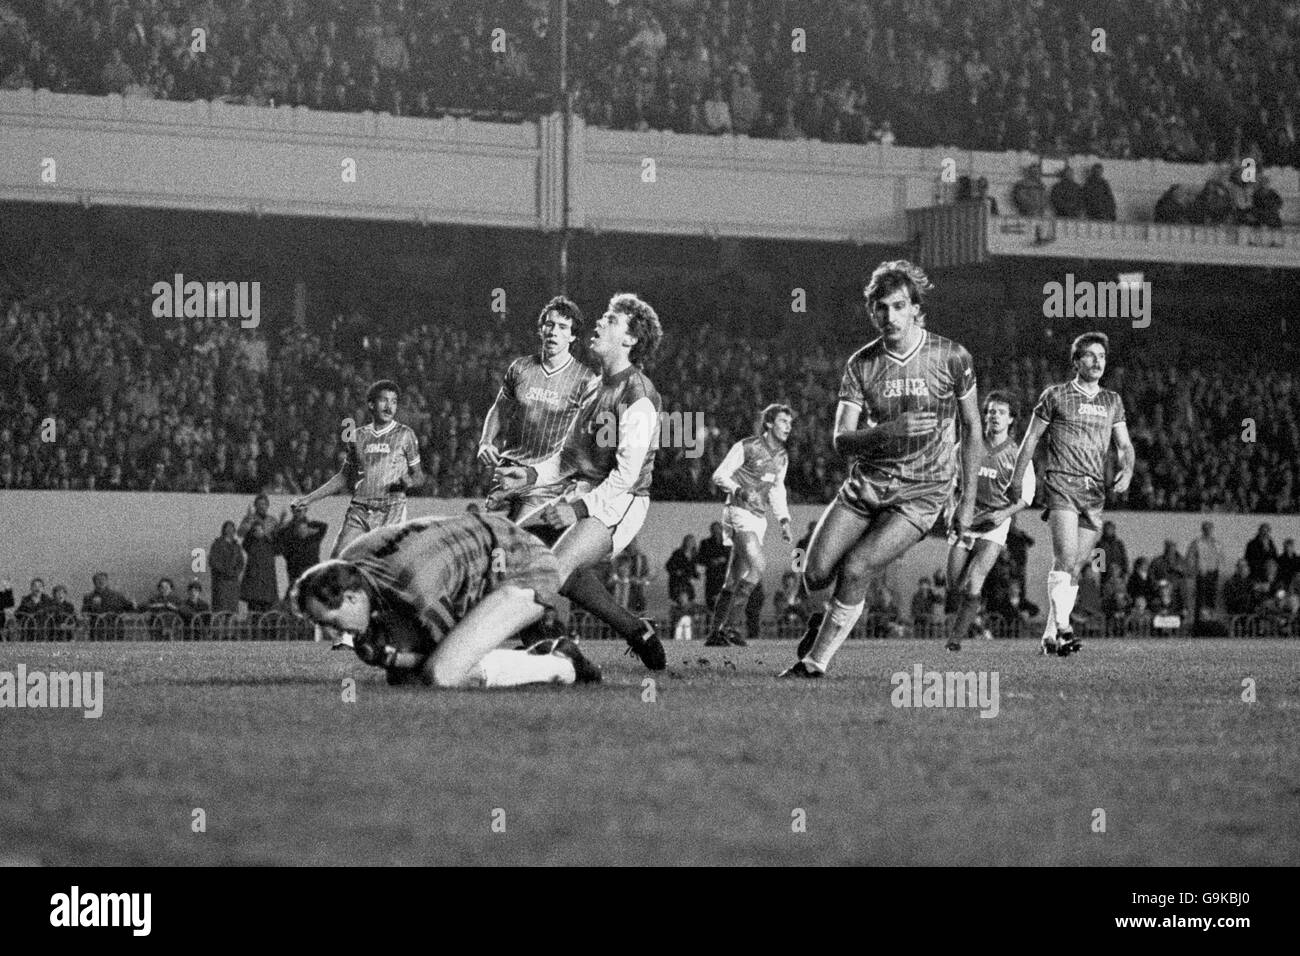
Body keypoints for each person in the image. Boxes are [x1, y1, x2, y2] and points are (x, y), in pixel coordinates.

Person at [781, 260, 982, 677]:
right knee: (814, 573)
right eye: (881, 308)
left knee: (856, 568)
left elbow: (973, 430)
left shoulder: (952, 357)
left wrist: (966, 504)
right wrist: (890, 431)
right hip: (868, 482)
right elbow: (841, 440)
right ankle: (826, 619)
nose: (889, 316)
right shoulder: (861, 364)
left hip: (923, 491)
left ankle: (815, 663)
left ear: (915, 309)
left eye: (898, 306)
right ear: (872, 311)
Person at [500, 293, 668, 671]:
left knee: (550, 569)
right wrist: (528, 475)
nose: (598, 322)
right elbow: (566, 458)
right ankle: (634, 630)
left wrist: (576, 509)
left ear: (629, 340)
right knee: (513, 553)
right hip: (585, 492)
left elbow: (626, 477)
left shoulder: (639, 395)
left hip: (621, 503)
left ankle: (549, 651)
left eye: (610, 319)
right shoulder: (594, 387)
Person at [291, 514, 600, 688]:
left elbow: (443, 656)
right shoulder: (352, 563)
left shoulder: (413, 587)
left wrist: (395, 658)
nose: (335, 635)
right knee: (409, 677)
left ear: (352, 596)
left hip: (524, 568)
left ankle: (561, 662)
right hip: (494, 547)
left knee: (442, 673)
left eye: (331, 623)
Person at [1008, 332, 1134, 657]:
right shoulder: (1056, 395)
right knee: (1065, 556)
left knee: (1075, 567)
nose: (1097, 361)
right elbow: (1031, 439)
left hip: (1094, 492)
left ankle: (1050, 635)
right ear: (1076, 361)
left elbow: (1124, 445)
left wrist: (1128, 468)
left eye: (1102, 356)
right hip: (1061, 483)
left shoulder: (1112, 401)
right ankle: (1065, 630)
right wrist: (1018, 477)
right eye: (1090, 355)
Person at [477, 296, 595, 521]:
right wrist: (485, 441)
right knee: (493, 543)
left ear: (572, 336)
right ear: (541, 330)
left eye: (562, 327)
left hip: (545, 482)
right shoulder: (521, 367)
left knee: (521, 543)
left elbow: (586, 440)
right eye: (549, 325)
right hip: (508, 470)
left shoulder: (585, 379)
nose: (553, 332)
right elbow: (500, 408)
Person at [943, 390, 1035, 651]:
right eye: (991, 411)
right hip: (966, 519)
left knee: (975, 580)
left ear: (1011, 420)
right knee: (953, 584)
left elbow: (1027, 495)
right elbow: (951, 482)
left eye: (1001, 412)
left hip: (994, 524)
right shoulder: (967, 446)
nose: (994, 416)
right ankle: (974, 613)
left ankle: (955, 641)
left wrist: (1004, 514)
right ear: (984, 416)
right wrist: (951, 510)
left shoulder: (1018, 456)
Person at [293, 379, 424, 557]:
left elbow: (419, 476)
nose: (389, 407)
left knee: (384, 568)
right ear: (371, 404)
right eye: (384, 400)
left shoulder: (405, 434)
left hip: (390, 511)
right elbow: (343, 477)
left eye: (393, 402)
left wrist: (408, 481)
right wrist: (309, 498)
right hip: (360, 510)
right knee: (337, 562)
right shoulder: (358, 436)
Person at [705, 403, 794, 647]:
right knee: (759, 565)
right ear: (769, 423)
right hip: (738, 511)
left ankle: (715, 634)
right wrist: (740, 491)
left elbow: (776, 489)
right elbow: (719, 475)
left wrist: (784, 520)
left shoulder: (782, 457)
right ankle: (732, 626)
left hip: (759, 518)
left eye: (790, 423)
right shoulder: (747, 446)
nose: (789, 427)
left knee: (733, 580)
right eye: (783, 422)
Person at [273, 505, 330, 598]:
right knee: (296, 592)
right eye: (296, 510)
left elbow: (324, 526)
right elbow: (278, 541)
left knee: (312, 594)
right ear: (293, 511)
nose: (298, 512)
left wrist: (308, 528)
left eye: (301, 510)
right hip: (294, 567)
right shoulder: (287, 528)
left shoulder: (313, 527)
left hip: (312, 565)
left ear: (305, 510)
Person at [239, 494, 280, 614]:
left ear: (267, 506)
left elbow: (278, 542)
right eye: (259, 504)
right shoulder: (250, 519)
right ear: (255, 506)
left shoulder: (272, 521)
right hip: (254, 564)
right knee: (253, 602)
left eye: (264, 504)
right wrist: (249, 524)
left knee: (268, 602)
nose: (261, 506)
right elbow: (241, 534)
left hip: (268, 565)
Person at [1187, 521, 1223, 614]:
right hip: (1201, 574)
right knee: (1201, 600)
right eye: (1205, 529)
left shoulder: (1217, 544)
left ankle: (1211, 621)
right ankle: (1199, 623)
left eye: (1209, 529)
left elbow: (1221, 558)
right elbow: (1190, 558)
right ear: (1202, 530)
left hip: (1213, 574)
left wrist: (1219, 570)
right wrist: (1193, 571)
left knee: (1212, 599)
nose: (1207, 531)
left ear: (1212, 530)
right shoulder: (1197, 543)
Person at [209, 520, 245, 613]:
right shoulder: (217, 544)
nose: (230, 530)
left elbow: (241, 562)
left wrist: (236, 572)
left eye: (232, 528)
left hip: (233, 582)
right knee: (221, 608)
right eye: (227, 528)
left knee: (232, 609)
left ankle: (231, 626)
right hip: (221, 581)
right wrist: (224, 571)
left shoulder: (236, 546)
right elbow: (213, 561)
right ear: (223, 530)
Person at [697, 522, 731, 611]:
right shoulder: (705, 543)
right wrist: (711, 561)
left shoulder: (729, 544)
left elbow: (734, 558)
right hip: (711, 577)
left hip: (726, 577)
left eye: (718, 529)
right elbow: (700, 559)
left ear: (721, 530)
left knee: (725, 602)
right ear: (711, 531)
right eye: (713, 529)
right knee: (711, 602)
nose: (716, 531)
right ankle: (711, 621)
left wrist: (724, 560)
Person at [665, 534, 700, 603]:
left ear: (694, 543)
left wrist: (696, 575)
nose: (690, 543)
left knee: (690, 600)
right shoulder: (678, 553)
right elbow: (668, 566)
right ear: (684, 542)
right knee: (681, 602)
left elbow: (693, 569)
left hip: (688, 581)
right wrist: (676, 572)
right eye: (688, 541)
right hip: (677, 582)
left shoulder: (695, 555)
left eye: (692, 542)